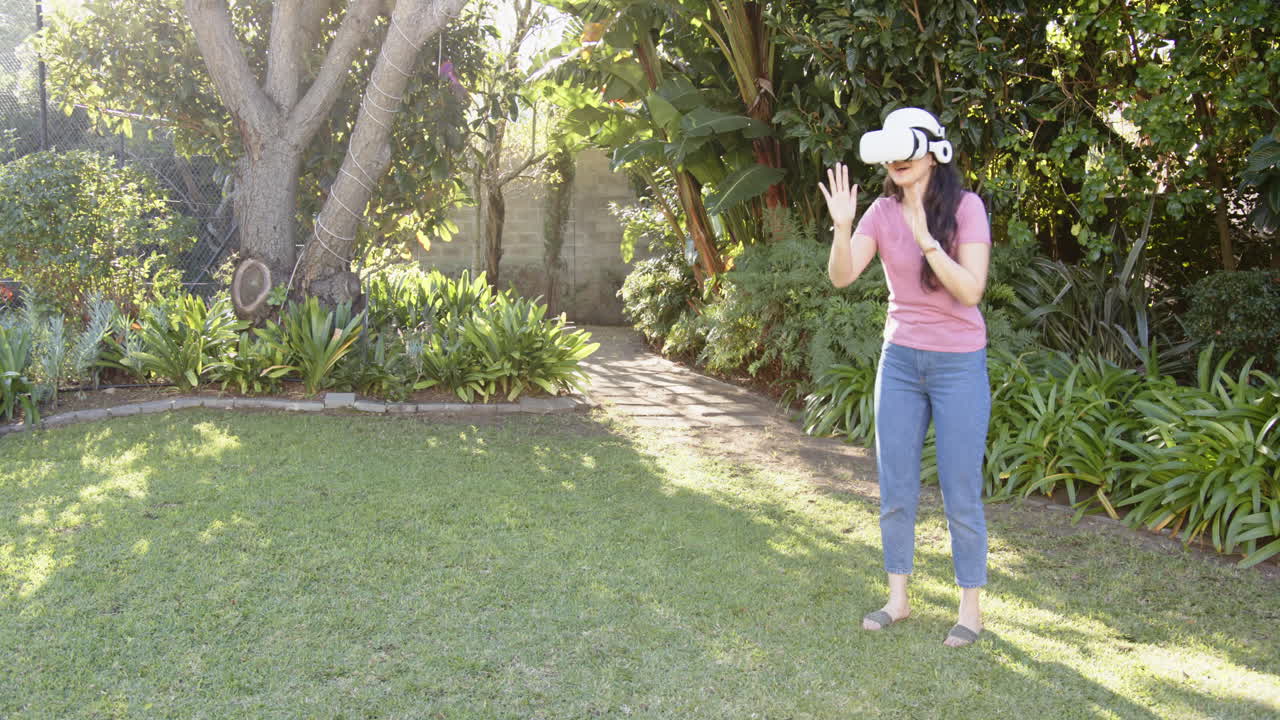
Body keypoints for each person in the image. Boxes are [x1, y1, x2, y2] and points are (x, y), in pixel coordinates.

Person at [817, 107, 992, 648]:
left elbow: (970, 291)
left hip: (958, 361)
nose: (895, 161)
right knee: (894, 486)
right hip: (900, 362)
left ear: (933, 152)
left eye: (905, 150)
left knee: (960, 490)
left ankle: (970, 609)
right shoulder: (879, 212)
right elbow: (843, 277)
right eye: (889, 153)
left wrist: (927, 240)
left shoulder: (967, 208)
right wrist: (844, 229)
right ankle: (898, 598)